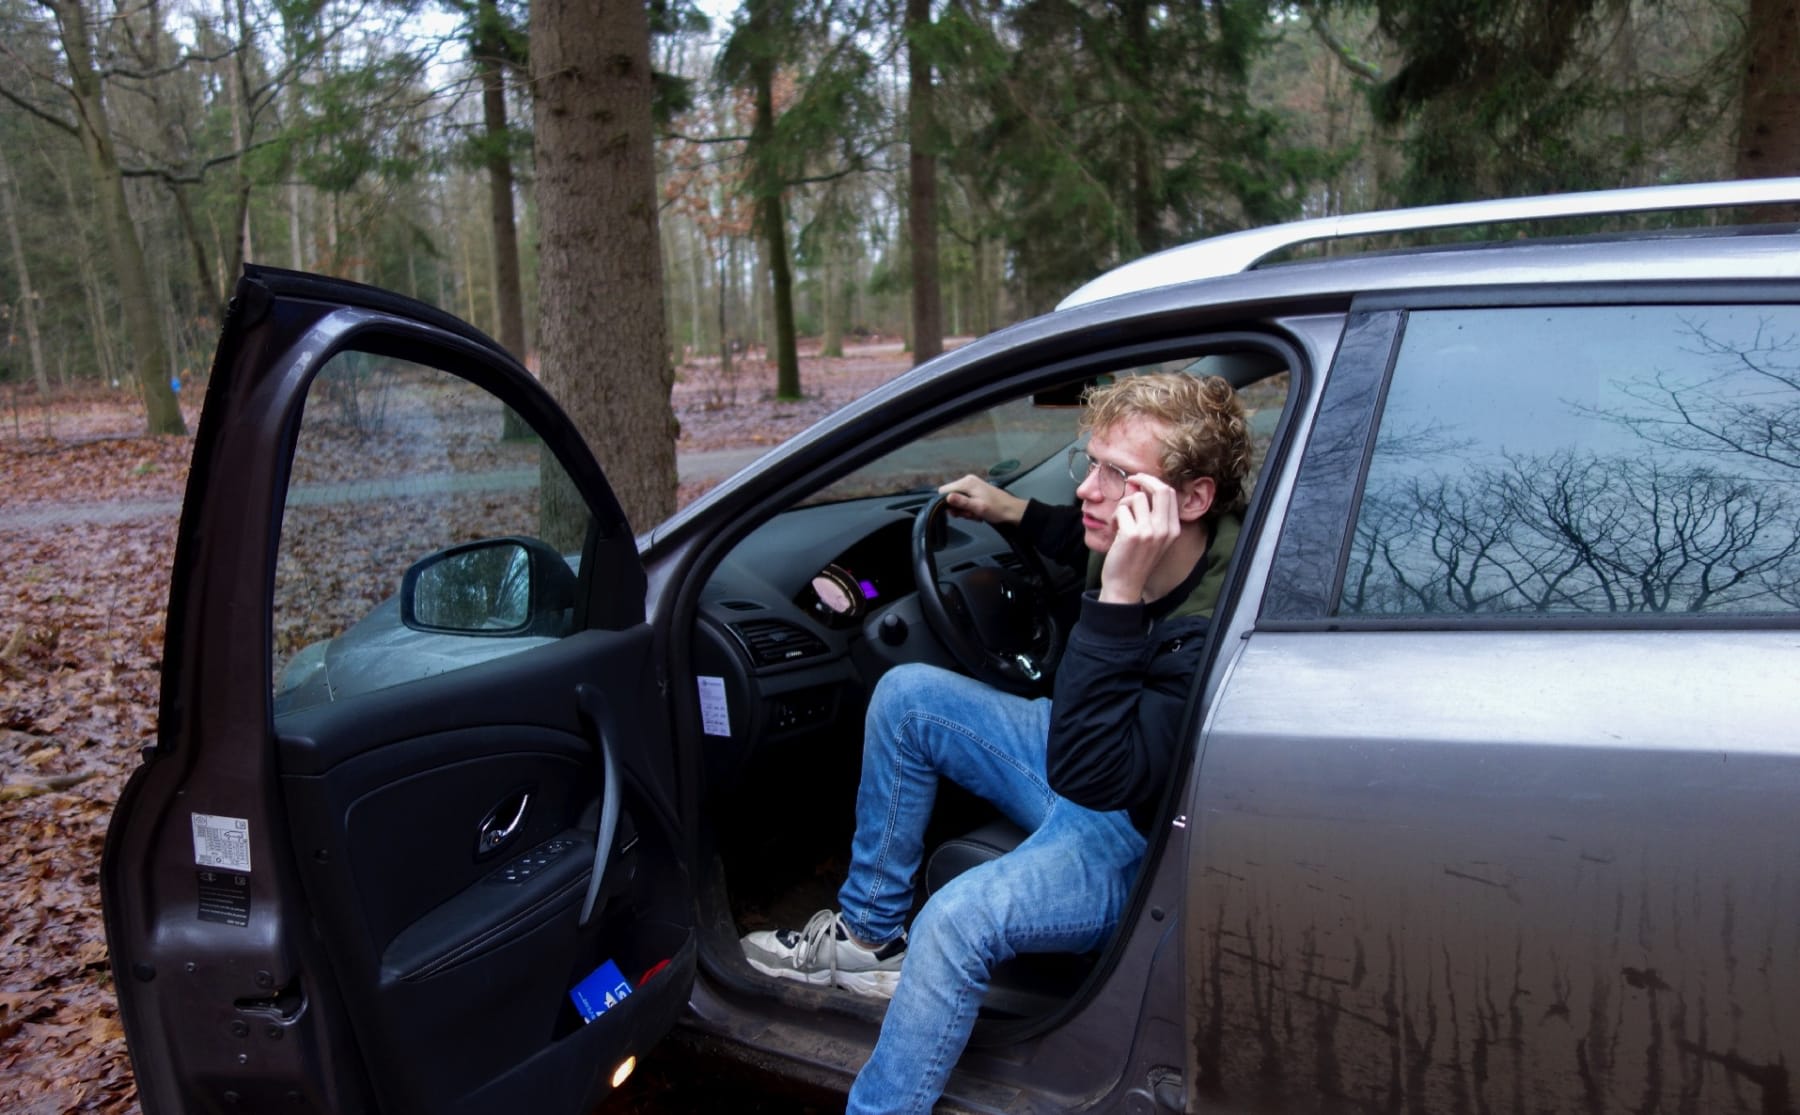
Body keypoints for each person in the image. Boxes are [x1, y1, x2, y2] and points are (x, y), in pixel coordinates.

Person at [740, 372, 1251, 1114]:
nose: (1090, 489)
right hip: (1092, 753)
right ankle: (869, 934)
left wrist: (1118, 595)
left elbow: (1089, 774)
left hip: (1135, 835)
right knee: (908, 696)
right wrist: (1010, 509)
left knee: (954, 919)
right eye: (1093, 462)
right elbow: (1068, 539)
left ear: (1194, 498)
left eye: (1120, 473)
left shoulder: (1215, 620)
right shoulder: (1145, 532)